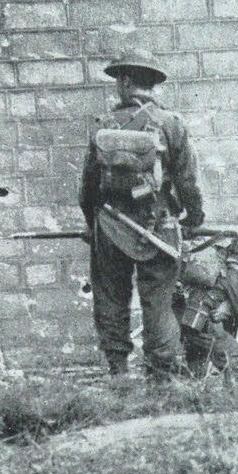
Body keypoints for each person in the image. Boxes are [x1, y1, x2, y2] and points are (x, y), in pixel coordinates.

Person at [79, 48, 205, 379]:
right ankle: (160, 377)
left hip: (110, 226)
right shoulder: (171, 124)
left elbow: (87, 188)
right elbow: (188, 181)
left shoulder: (103, 125)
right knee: (159, 303)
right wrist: (194, 218)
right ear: (152, 86)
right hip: (159, 226)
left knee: (110, 299)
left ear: (124, 82)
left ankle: (118, 374)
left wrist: (92, 226)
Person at [174, 233, 238, 378]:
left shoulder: (221, 262)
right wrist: (230, 309)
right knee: (231, 353)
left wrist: (228, 305)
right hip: (201, 320)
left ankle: (194, 394)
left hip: (184, 317)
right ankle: (235, 397)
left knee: (198, 364)